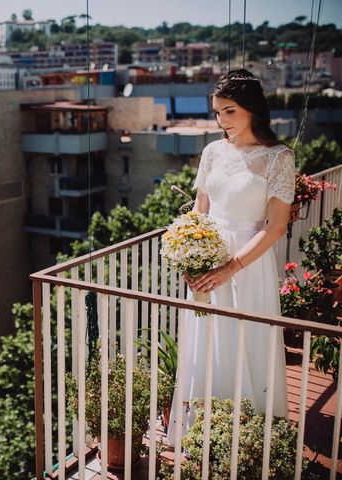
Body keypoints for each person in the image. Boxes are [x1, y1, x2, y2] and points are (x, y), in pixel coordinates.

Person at [169, 69, 295, 438]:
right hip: (207, 261)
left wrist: (231, 267)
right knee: (207, 342)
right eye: (218, 112)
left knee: (245, 342)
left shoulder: (278, 157)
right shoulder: (212, 152)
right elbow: (199, 211)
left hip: (247, 264)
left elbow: (276, 227)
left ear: (252, 109)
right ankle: (203, 433)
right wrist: (188, 253)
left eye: (230, 111)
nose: (222, 121)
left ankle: (251, 436)